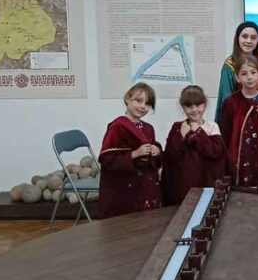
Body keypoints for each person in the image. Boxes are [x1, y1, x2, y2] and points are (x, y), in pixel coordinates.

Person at [98, 82, 163, 218]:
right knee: (129, 223)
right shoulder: (117, 127)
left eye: (147, 104)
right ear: (128, 98)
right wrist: (135, 154)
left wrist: (156, 150)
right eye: (138, 101)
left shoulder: (148, 128)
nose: (142, 106)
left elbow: (153, 155)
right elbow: (107, 159)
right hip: (126, 189)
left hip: (146, 186)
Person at [161, 85, 229, 206]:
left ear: (205, 105)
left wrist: (199, 132)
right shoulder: (178, 127)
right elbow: (171, 156)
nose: (194, 110)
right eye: (189, 106)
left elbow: (216, 153)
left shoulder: (212, 127)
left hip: (207, 182)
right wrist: (181, 135)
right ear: (183, 107)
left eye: (198, 105)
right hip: (183, 184)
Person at [219, 54, 258, 188]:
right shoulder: (231, 102)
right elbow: (225, 135)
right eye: (244, 74)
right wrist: (226, 163)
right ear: (237, 77)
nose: (249, 77)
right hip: (238, 161)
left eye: (253, 72)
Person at [215, 21, 258, 123]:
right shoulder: (230, 66)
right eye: (244, 37)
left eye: (253, 38)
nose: (249, 41)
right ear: (238, 38)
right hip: (238, 119)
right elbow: (226, 98)